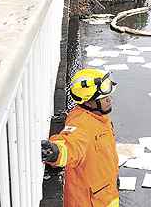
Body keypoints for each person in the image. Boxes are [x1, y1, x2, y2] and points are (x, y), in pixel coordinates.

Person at [41, 68, 120, 207]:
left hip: (106, 196)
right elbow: (71, 144)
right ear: (88, 102)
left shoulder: (100, 118)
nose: (109, 99)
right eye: (102, 97)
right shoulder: (82, 124)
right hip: (89, 201)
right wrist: (55, 151)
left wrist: (113, 179)